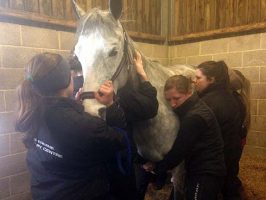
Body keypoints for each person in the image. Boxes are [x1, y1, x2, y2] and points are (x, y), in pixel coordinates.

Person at [15, 52, 129, 200]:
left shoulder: (30, 112)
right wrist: (111, 105)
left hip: (45, 192)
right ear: (67, 80)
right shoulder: (88, 126)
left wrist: (73, 107)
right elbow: (121, 140)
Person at [143, 75, 226, 200]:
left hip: (206, 172)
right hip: (199, 168)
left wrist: (157, 167)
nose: (173, 104)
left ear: (189, 92)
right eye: (169, 99)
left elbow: (178, 152)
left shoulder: (194, 117)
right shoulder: (194, 107)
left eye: (176, 98)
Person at [195, 61, 243, 200]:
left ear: (212, 79)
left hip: (213, 161)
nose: (194, 82)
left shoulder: (207, 103)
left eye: (198, 78)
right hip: (230, 154)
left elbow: (198, 135)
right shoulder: (231, 97)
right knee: (229, 189)